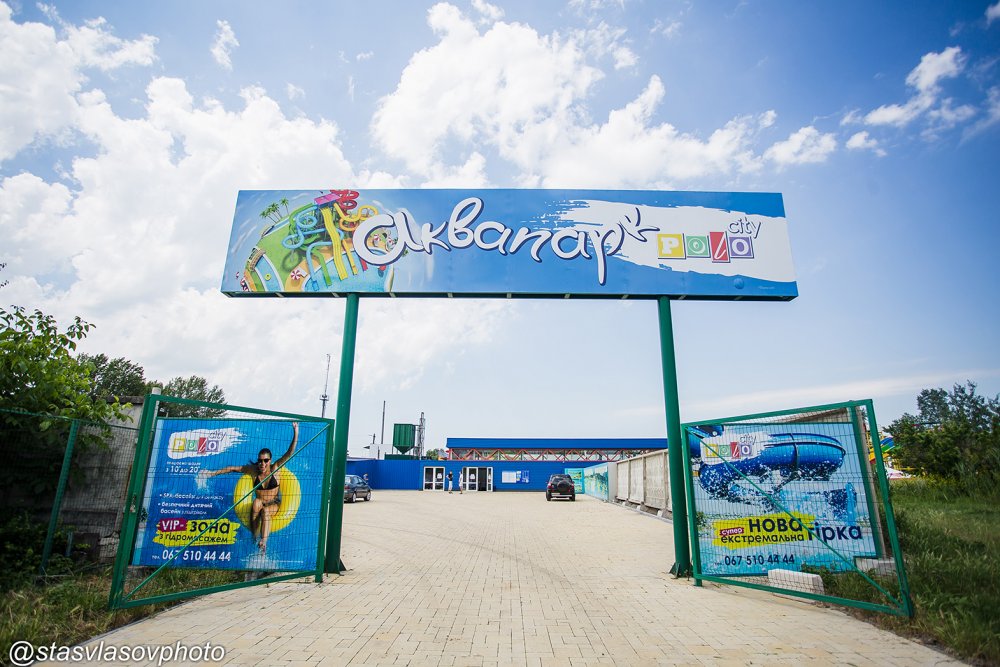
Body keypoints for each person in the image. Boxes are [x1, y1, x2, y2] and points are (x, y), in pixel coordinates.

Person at [205, 422, 298, 553]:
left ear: (270, 460)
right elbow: (233, 468)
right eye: (260, 460)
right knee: (256, 502)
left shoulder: (276, 469)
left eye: (265, 460)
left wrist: (296, 432)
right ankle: (254, 537)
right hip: (260, 503)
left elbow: (289, 452)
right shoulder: (253, 471)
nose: (262, 463)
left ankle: (263, 543)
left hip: (273, 504)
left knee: (265, 512)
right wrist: (212, 473)